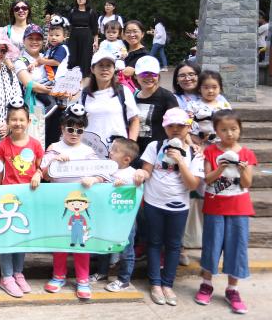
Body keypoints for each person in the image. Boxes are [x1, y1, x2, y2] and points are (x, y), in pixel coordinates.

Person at [140, 108, 204, 306]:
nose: (175, 129)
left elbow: (192, 185)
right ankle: (155, 284)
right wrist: (139, 175)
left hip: (178, 206)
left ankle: (168, 284)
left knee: (174, 245)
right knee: (154, 243)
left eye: (180, 125)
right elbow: (147, 171)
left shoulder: (195, 153)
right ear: (165, 127)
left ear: (188, 127)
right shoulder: (155, 146)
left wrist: (180, 161)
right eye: (171, 125)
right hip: (153, 202)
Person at [196, 110, 255, 314]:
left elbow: (247, 183)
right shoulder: (211, 151)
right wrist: (220, 168)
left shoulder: (247, 153)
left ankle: (233, 289)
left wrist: (242, 170)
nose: (229, 133)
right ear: (216, 131)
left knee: (237, 247)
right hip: (215, 206)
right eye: (223, 130)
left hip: (239, 207)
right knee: (211, 245)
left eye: (233, 129)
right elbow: (207, 179)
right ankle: (206, 284)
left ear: (240, 130)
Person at [40, 107, 99, 300]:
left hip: (82, 204)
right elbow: (45, 175)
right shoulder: (54, 147)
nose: (74, 133)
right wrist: (54, 162)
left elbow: (103, 174)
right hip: (58, 202)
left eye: (79, 130)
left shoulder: (89, 151)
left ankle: (83, 279)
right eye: (70, 129)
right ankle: (58, 275)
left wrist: (94, 179)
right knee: (60, 239)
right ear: (62, 128)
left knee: (81, 240)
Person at [0, 104, 44, 298]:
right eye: (13, 119)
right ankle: (6, 276)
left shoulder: (35, 145)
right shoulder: (3, 145)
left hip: (28, 197)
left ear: (28, 122)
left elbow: (41, 167)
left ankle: (18, 272)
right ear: (7, 122)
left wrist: (38, 174)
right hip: (8, 197)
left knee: (22, 235)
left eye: (21, 119)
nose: (18, 123)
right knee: (8, 236)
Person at [99, 138, 148, 292]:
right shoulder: (106, 169)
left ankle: (124, 280)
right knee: (103, 245)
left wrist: (140, 174)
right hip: (107, 216)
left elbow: (141, 181)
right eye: (111, 149)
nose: (110, 152)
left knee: (126, 248)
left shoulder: (133, 174)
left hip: (126, 219)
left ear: (126, 159)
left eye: (115, 150)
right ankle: (101, 272)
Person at [81, 50, 140, 145]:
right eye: (100, 65)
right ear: (92, 69)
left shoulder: (123, 91)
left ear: (114, 69)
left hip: (117, 149)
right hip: (90, 149)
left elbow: (134, 120)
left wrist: (130, 145)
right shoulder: (85, 93)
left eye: (108, 65)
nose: (105, 69)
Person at [134, 56, 180, 155]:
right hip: (136, 151)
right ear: (136, 76)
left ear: (158, 76)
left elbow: (178, 123)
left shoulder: (167, 96)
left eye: (153, 74)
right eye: (144, 73)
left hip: (158, 152)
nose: (149, 77)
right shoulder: (132, 97)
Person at [13, 25, 58, 119]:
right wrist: (55, 90)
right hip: (35, 108)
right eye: (30, 38)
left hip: (56, 106)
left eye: (38, 39)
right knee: (37, 127)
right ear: (23, 40)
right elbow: (30, 84)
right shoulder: (20, 61)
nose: (34, 42)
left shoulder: (48, 58)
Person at [66, 0, 98, 77]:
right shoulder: (72, 11)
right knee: (72, 57)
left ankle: (85, 77)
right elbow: (68, 25)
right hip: (74, 36)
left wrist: (96, 41)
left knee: (85, 57)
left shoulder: (91, 12)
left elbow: (95, 28)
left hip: (87, 36)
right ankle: (71, 77)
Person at [121, 20, 149, 91]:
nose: (132, 35)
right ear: (123, 35)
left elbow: (150, 76)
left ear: (142, 34)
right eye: (128, 32)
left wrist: (135, 72)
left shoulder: (145, 56)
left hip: (135, 92)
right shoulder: (120, 49)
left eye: (135, 31)